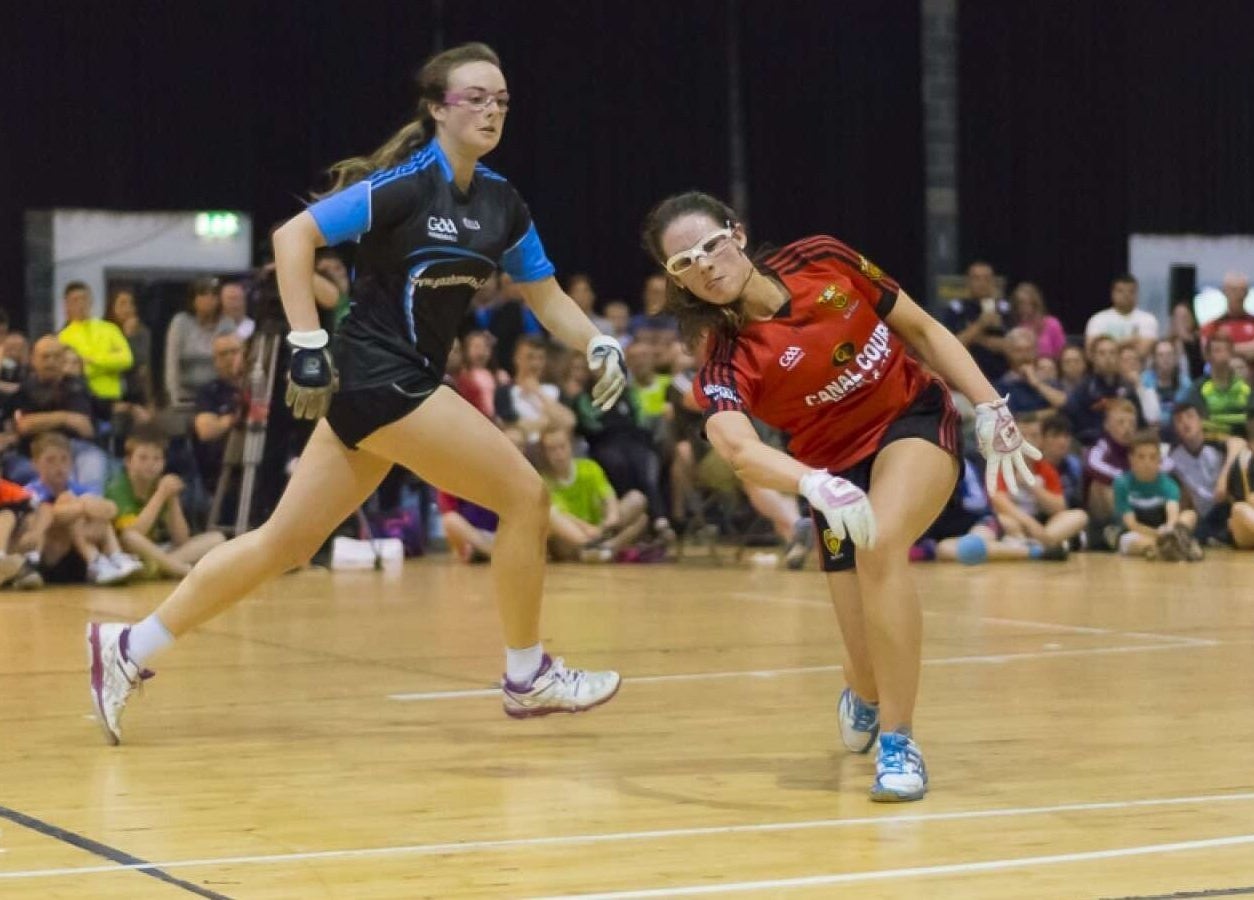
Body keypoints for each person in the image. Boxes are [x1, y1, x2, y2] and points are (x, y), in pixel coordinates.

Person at [86, 42, 627, 746]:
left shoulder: (502, 202)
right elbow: (294, 237)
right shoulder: (406, 186)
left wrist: (598, 342)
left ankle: (128, 650)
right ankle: (528, 675)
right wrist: (307, 341)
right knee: (525, 498)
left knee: (281, 543)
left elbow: (547, 295)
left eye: (501, 100)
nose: (492, 110)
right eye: (475, 98)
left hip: (390, 388)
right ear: (438, 108)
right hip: (379, 378)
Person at [642, 191, 1038, 802]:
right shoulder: (724, 363)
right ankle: (868, 694)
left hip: (914, 420)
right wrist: (811, 482)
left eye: (711, 246)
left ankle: (900, 743)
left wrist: (989, 402)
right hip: (831, 474)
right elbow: (741, 450)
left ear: (738, 235)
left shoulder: (822, 259)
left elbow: (923, 330)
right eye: (684, 263)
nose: (705, 266)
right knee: (865, 659)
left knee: (879, 544)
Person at [1112, 430, 1203, 561]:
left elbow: (1172, 514)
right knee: (1129, 542)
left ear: (1160, 459)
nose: (1147, 462)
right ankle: (1176, 549)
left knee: (1189, 515)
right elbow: (1131, 524)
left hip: (1164, 529)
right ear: (1131, 459)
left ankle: (1172, 547)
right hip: (1139, 533)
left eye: (1152, 457)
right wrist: (1158, 536)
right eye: (1141, 457)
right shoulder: (1122, 483)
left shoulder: (1169, 484)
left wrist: (1169, 530)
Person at [1084, 274, 1158, 358]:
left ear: (1137, 294)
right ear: (1112, 294)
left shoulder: (1148, 319)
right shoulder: (1098, 319)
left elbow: (1142, 352)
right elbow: (1091, 353)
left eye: (1131, 291)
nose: (1126, 295)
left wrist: (1108, 348)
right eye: (1120, 291)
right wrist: (1129, 341)